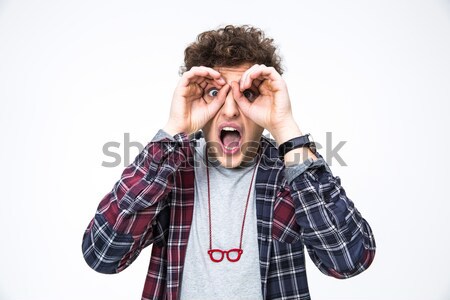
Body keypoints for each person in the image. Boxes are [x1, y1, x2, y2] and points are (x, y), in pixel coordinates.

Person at [81, 25, 376, 300]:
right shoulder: (171, 171)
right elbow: (103, 253)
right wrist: (174, 129)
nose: (231, 110)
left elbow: (349, 260)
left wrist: (285, 126)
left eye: (247, 94)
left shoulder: (290, 174)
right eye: (214, 94)